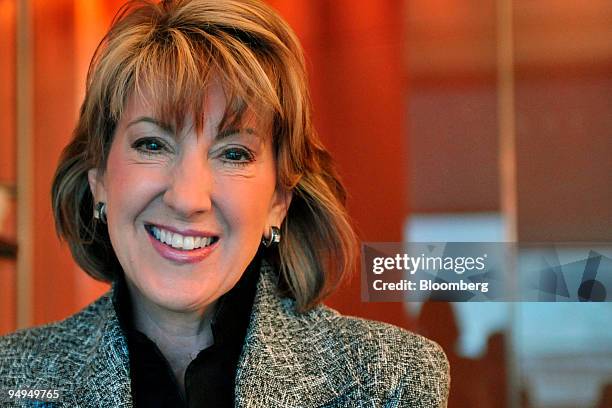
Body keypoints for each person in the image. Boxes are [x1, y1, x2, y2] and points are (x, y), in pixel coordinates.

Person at [0, 0, 449, 406]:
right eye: (153, 144)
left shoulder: (390, 381)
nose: (187, 198)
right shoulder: (13, 379)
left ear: (278, 200)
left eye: (233, 153)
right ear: (98, 177)